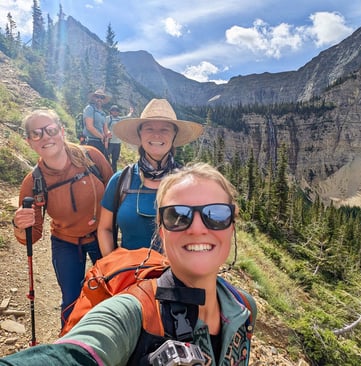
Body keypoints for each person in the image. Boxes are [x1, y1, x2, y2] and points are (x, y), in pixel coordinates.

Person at [0, 162, 257, 366]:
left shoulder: (244, 306)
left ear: (232, 223)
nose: (198, 228)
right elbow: (75, 353)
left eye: (216, 214)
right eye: (178, 215)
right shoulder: (133, 313)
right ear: (162, 229)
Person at [12, 109, 113, 328]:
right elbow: (31, 236)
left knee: (112, 292)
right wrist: (20, 226)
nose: (45, 137)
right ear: (29, 141)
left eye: (51, 130)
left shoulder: (91, 157)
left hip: (102, 236)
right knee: (71, 302)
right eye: (37, 133)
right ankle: (69, 345)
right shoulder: (33, 182)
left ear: (62, 131)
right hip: (65, 242)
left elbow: (114, 191)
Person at [98, 98, 203, 256]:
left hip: (176, 277)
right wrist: (112, 269)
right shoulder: (120, 180)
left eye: (165, 129)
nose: (156, 135)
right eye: (149, 128)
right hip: (129, 277)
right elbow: (105, 228)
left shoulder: (188, 182)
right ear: (139, 134)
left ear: (174, 136)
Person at [83, 88, 111, 160]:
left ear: (103, 100)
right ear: (93, 98)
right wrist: (101, 137)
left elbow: (105, 128)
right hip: (91, 141)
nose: (99, 99)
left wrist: (108, 133)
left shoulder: (103, 113)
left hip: (100, 142)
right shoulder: (89, 108)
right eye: (97, 97)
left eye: (101, 97)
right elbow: (89, 127)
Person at [105, 104, 133, 172]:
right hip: (110, 142)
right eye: (113, 110)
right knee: (106, 157)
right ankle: (106, 171)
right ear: (111, 111)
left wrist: (131, 112)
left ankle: (114, 172)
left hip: (117, 142)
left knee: (115, 159)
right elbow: (105, 127)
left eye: (117, 111)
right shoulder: (108, 118)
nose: (115, 112)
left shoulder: (119, 118)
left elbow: (127, 117)